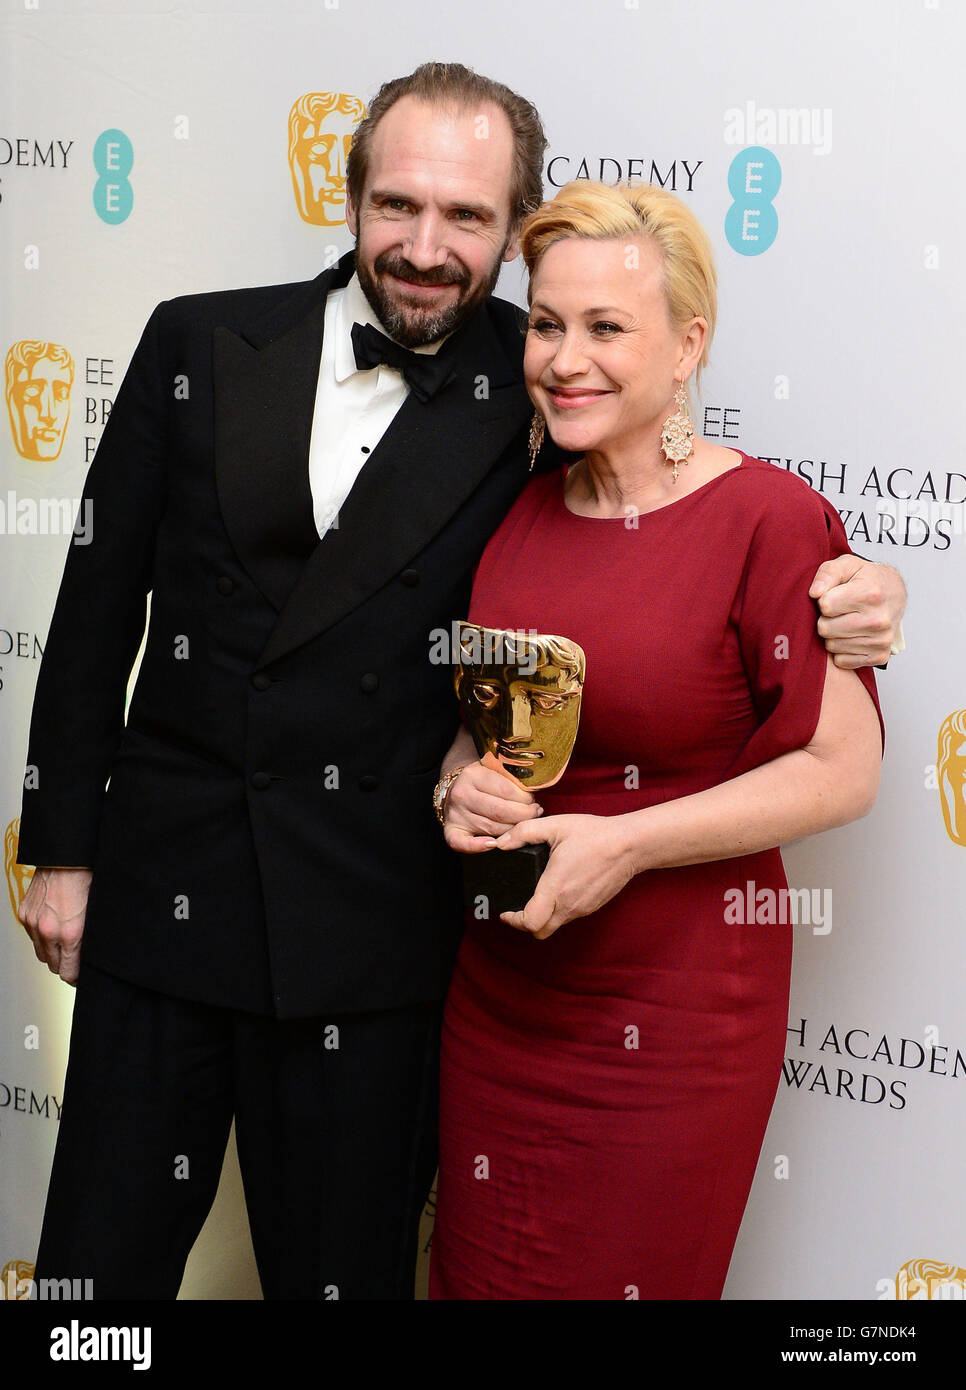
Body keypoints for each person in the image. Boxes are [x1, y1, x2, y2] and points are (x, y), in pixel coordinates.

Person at [15, 64, 902, 1302]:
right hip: (162, 900)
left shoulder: (536, 389)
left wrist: (860, 587)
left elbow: (685, 507)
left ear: (509, 235)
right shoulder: (198, 338)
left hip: (369, 942)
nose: (426, 249)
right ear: (351, 197)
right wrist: (61, 848)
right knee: (90, 1295)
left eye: (469, 219)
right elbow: (93, 604)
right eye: (399, 205)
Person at [430, 180, 885, 1301]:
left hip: (674, 1017)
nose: (564, 358)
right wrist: (459, 790)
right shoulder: (520, 513)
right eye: (546, 324)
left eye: (606, 328)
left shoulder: (769, 519)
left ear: (688, 347)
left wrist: (627, 843)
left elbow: (847, 769)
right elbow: (479, 736)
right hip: (498, 1000)